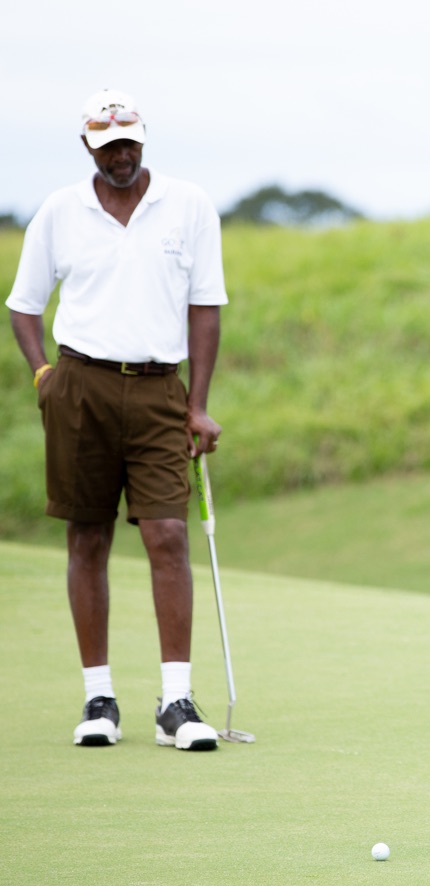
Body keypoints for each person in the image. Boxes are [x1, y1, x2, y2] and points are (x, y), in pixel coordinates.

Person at [6, 89, 228, 751]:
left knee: (166, 535)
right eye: (107, 147)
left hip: (160, 390)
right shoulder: (59, 211)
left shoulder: (188, 206)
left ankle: (177, 702)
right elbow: (24, 305)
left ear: (144, 140)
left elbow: (206, 307)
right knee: (87, 537)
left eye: (129, 143)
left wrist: (199, 404)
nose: (120, 156)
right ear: (87, 148)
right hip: (80, 387)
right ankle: (98, 698)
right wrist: (43, 375)